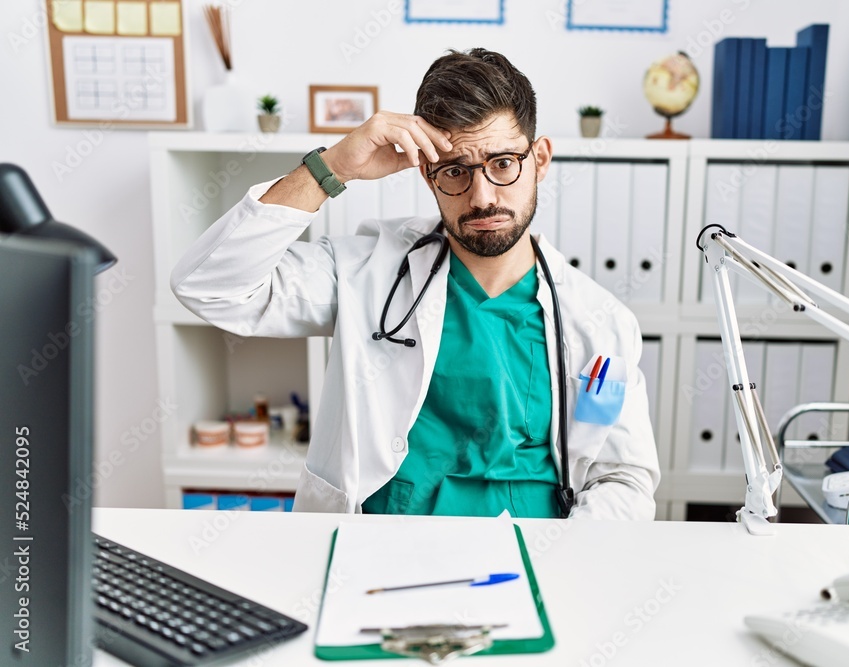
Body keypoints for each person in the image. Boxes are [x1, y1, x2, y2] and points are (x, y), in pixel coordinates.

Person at [171, 48, 659, 520]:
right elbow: (210, 286)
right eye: (455, 171)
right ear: (428, 175)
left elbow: (623, 478)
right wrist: (332, 167)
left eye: (503, 163)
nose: (482, 196)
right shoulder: (368, 270)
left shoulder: (602, 321)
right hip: (382, 550)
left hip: (533, 557)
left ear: (541, 159)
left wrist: (565, 559)